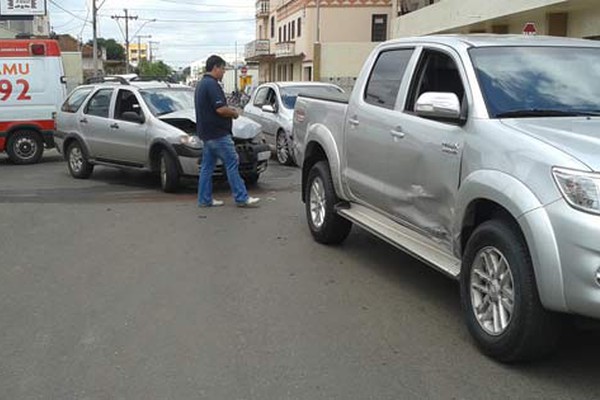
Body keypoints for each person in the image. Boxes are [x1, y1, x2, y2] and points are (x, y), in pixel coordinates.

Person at [195, 55, 260, 208]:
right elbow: (220, 109)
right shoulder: (212, 85)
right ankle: (241, 197)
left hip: (206, 133)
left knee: (207, 167)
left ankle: (204, 199)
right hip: (218, 134)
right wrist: (234, 113)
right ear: (216, 67)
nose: (224, 72)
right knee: (232, 162)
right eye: (223, 68)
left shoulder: (201, 85)